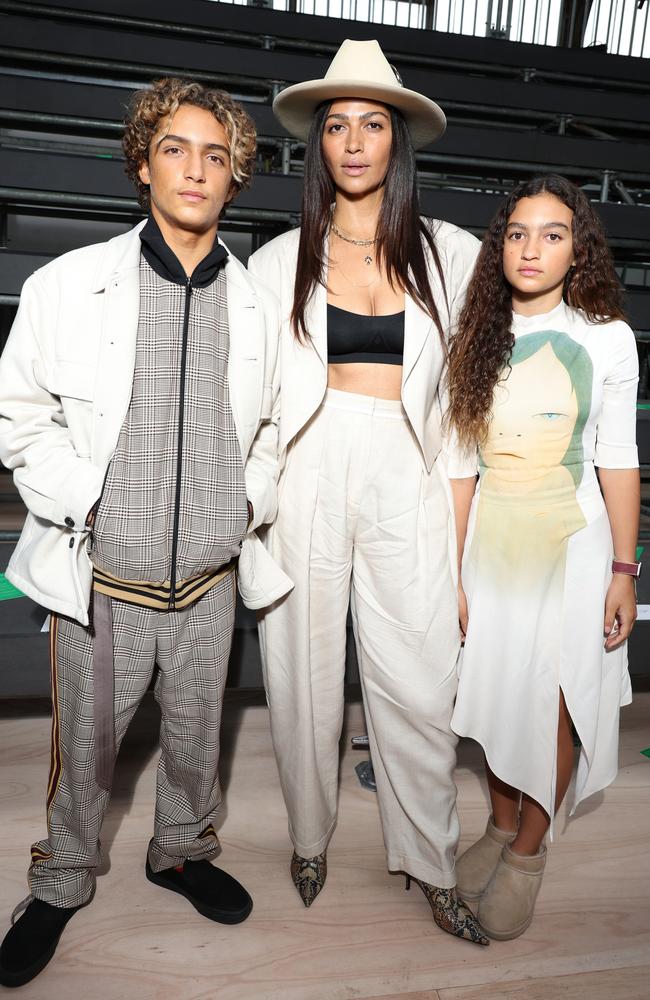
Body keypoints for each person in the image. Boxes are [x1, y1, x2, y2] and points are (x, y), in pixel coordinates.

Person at [0, 77, 290, 988]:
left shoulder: (260, 308)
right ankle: (62, 878)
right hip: (104, 584)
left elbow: (278, 426)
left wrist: (246, 507)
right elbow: (20, 417)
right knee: (85, 749)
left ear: (235, 176)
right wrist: (86, 501)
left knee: (198, 739)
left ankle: (180, 850)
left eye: (216, 154)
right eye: (176, 148)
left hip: (209, 582)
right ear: (142, 162)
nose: (196, 169)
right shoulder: (68, 285)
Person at [248, 39, 487, 946]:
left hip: (410, 473)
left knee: (422, 680)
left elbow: (476, 394)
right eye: (338, 125)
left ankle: (430, 860)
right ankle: (310, 837)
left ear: (398, 142)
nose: (354, 141)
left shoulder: (452, 256)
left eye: (372, 125)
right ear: (319, 145)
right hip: (307, 469)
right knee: (301, 669)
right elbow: (252, 398)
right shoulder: (276, 263)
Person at [446, 174, 640, 940]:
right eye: (518, 233)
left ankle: (528, 851)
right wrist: (454, 571)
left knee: (556, 699)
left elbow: (618, 457)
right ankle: (498, 824)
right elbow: (460, 464)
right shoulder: (476, 334)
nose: (532, 248)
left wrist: (625, 570)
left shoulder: (606, 336)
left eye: (553, 234)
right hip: (492, 547)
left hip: (574, 549)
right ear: (501, 247)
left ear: (577, 247)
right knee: (492, 695)